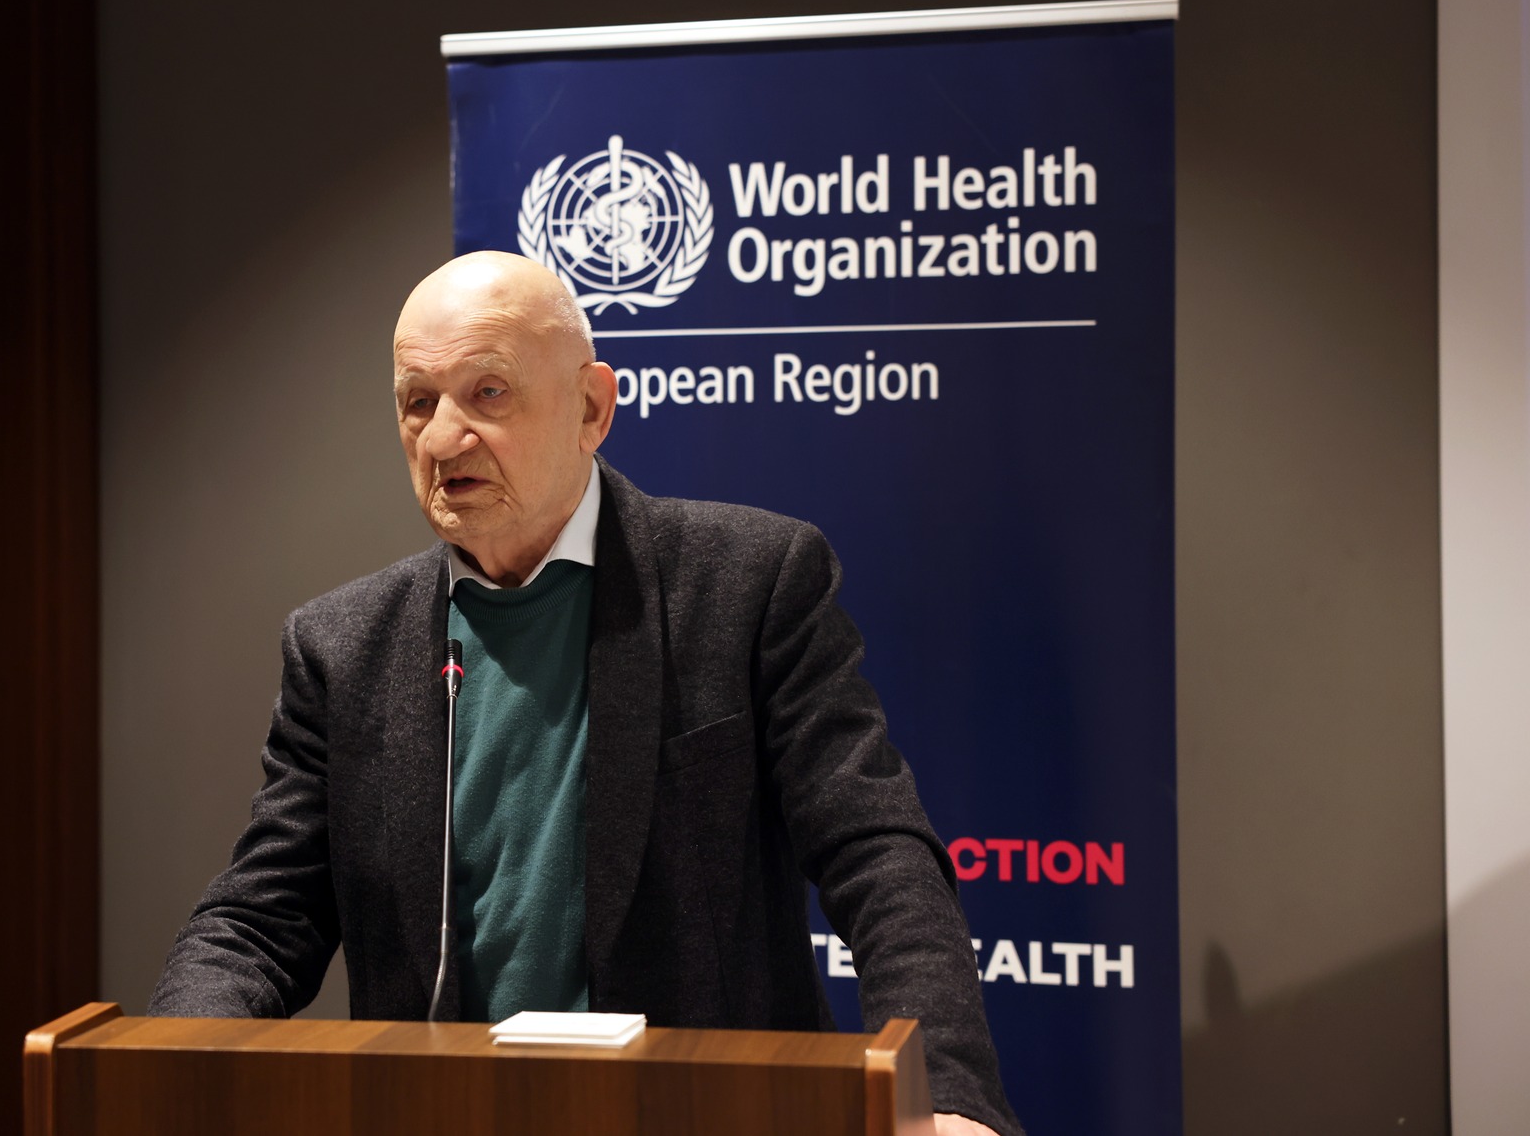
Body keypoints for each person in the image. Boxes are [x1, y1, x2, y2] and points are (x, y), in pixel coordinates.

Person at [150, 251, 1022, 1136]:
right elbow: (261, 919)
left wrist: (943, 1094)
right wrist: (165, 1071)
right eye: (418, 401)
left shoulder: (749, 584)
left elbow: (877, 854)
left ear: (592, 408)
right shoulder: (341, 646)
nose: (443, 438)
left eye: (487, 392)